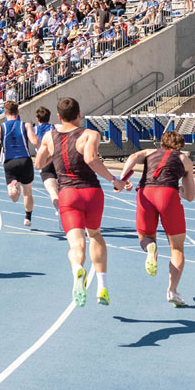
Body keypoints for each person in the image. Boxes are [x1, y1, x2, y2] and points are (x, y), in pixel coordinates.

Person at [34, 97, 128, 307]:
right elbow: (91, 159)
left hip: (68, 193)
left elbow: (39, 163)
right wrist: (115, 180)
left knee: (76, 244)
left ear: (58, 117)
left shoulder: (50, 135)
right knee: (95, 234)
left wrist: (53, 156)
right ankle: (102, 285)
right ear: (79, 114)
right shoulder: (90, 134)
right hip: (91, 192)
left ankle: (78, 269)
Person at [118, 130, 195, 307]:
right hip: (168, 194)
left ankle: (151, 247)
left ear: (161, 143)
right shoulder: (185, 160)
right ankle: (172, 290)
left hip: (145, 192)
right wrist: (181, 191)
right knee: (177, 248)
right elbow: (190, 196)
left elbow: (132, 157)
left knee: (145, 237)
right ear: (180, 146)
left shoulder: (148, 152)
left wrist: (123, 178)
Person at [0, 100, 40, 227]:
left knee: (14, 198)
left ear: (5, 113)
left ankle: (13, 187)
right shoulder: (25, 125)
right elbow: (35, 140)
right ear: (18, 112)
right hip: (25, 160)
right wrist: (42, 150)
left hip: (10, 162)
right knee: (28, 192)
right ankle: (27, 218)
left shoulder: (0, 127)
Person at [33, 106, 60, 210]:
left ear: (38, 119)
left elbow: (34, 141)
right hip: (57, 159)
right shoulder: (55, 128)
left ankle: (59, 210)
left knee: (52, 190)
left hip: (44, 161)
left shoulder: (34, 129)